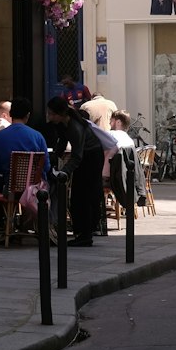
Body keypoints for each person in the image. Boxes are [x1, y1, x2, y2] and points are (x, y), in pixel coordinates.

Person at [46, 96, 104, 246]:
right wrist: (53, 159)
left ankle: (85, 234)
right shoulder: (62, 124)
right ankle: (81, 232)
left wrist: (64, 172)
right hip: (86, 156)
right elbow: (62, 143)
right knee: (78, 195)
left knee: (83, 195)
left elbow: (77, 156)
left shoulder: (75, 128)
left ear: (61, 113)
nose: (50, 117)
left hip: (91, 157)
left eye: (52, 114)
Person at [0, 98, 49, 188]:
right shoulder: (38, 137)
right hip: (34, 192)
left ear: (11, 114)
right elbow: (46, 166)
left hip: (9, 190)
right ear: (28, 115)